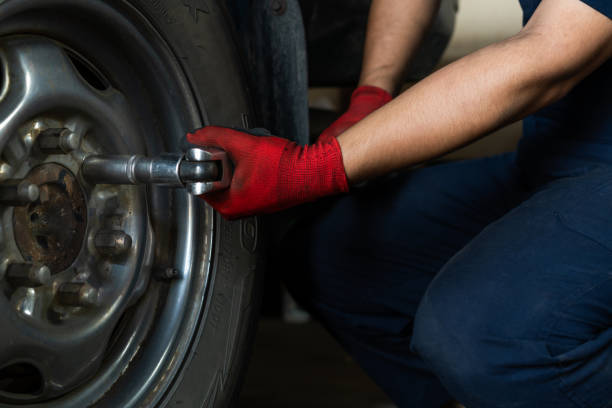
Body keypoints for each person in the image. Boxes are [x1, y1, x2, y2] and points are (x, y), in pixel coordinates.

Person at [188, 0, 612, 406]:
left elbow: (547, 57)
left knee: (476, 335)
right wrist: (374, 91)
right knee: (332, 253)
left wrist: (312, 169)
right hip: (556, 153)